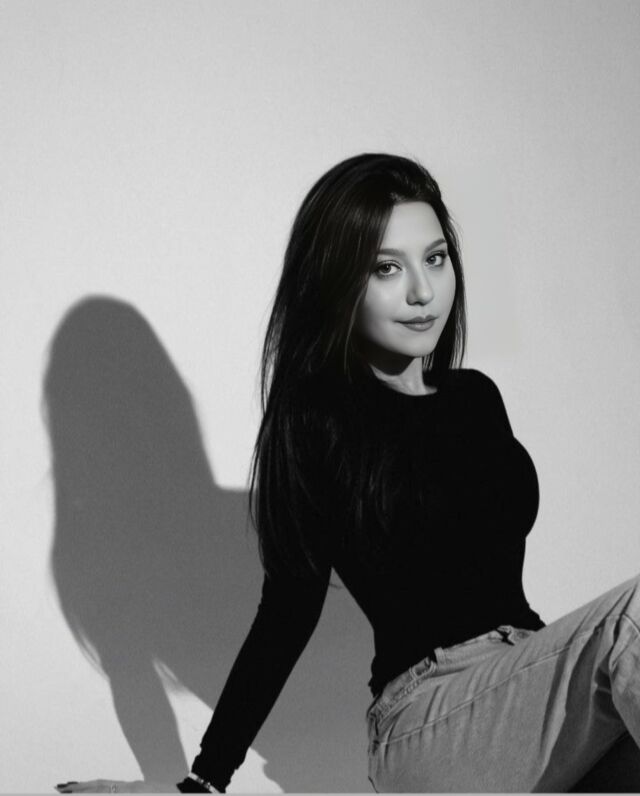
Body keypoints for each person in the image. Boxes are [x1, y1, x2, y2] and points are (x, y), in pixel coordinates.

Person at [55, 153, 640, 794]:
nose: (423, 291)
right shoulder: (318, 421)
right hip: (428, 718)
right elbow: (286, 615)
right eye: (386, 268)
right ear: (338, 283)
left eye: (435, 259)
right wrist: (204, 781)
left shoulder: (476, 398)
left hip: (529, 696)